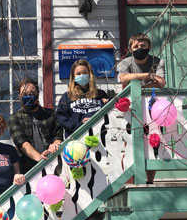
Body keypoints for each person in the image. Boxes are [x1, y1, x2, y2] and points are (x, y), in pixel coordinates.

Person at [118, 33, 166, 184]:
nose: (140, 48)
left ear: (149, 47)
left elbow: (160, 83)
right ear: (131, 48)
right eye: (136, 46)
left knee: (153, 143)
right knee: (130, 144)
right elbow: (123, 78)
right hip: (131, 109)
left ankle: (150, 181)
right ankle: (130, 179)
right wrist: (148, 76)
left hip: (153, 108)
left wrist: (139, 82)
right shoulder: (125, 63)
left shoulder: (158, 61)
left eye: (143, 46)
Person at [8, 79, 63, 174]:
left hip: (54, 165)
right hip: (29, 169)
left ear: (37, 94)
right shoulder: (15, 118)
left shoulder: (51, 114)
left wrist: (55, 144)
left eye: (32, 93)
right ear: (19, 96)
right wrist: (40, 158)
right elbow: (22, 143)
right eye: (25, 94)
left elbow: (58, 134)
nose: (29, 96)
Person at [56, 59, 116, 138]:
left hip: (99, 137)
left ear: (90, 74)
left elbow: (109, 115)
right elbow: (61, 117)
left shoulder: (100, 94)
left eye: (85, 73)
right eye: (78, 74)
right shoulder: (67, 97)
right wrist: (80, 126)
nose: (82, 76)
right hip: (77, 139)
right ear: (73, 77)